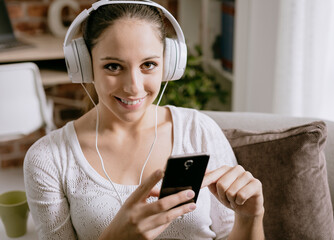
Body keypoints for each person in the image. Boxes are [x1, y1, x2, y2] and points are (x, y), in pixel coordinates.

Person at [24, 1, 265, 239]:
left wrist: (251, 217)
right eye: (113, 66)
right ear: (85, 66)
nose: (133, 87)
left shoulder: (198, 130)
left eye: (148, 64)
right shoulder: (48, 158)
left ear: (169, 65)